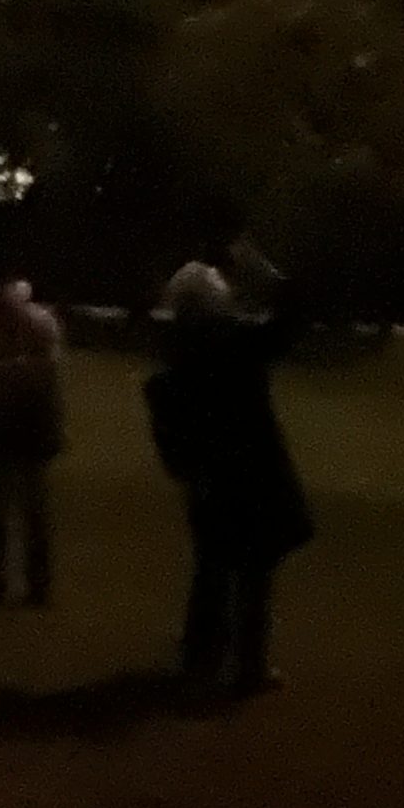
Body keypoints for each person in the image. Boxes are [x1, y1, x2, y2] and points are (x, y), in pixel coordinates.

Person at [142, 257, 313, 696]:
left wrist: (189, 473)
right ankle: (247, 667)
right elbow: (288, 326)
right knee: (253, 577)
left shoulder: (175, 362)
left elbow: (171, 439)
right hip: (253, 478)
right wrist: (281, 282)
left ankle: (201, 661)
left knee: (212, 574)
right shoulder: (238, 344)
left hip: (210, 484)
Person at [0, 277, 66, 608]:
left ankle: (11, 585)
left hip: (21, 430)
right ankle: (10, 584)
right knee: (16, 510)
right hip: (13, 430)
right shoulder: (28, 326)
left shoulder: (21, 328)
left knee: (20, 510)